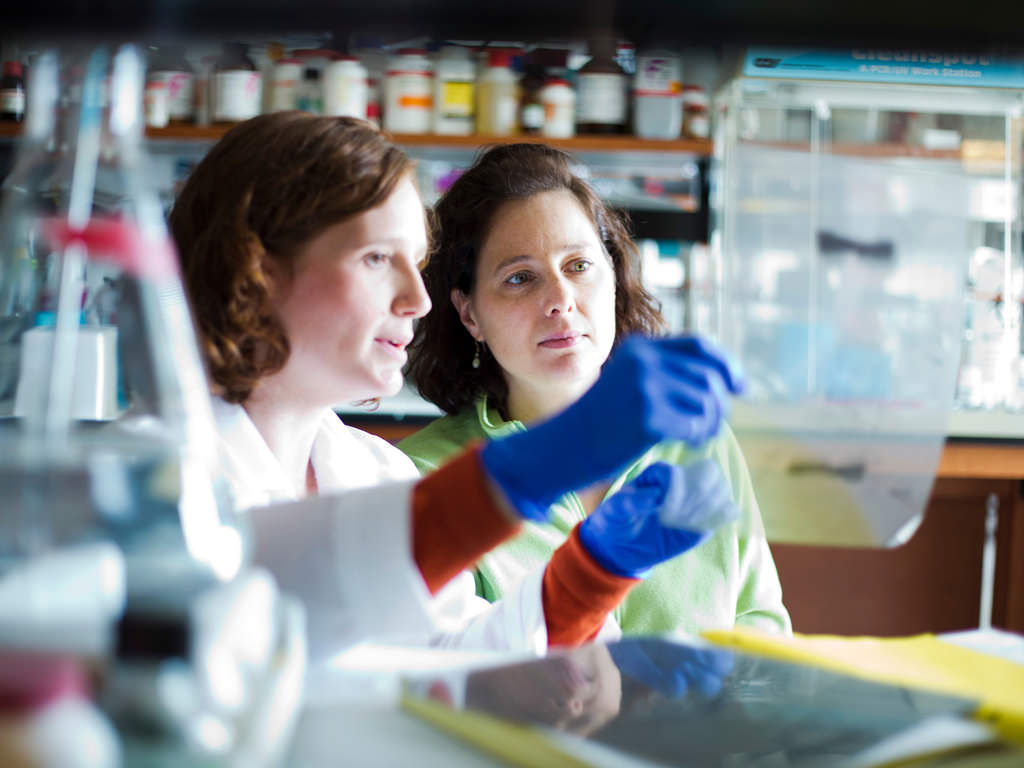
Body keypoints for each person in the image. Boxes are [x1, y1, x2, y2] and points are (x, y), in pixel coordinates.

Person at [168, 113, 747, 661]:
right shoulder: (154, 477)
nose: (416, 300)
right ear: (256, 270)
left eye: (414, 263)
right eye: (376, 258)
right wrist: (536, 466)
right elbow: (273, 598)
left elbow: (456, 666)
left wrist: (592, 574)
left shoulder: (377, 470)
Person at [401, 142, 792, 638]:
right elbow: (448, 669)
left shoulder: (699, 440)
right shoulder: (428, 477)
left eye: (579, 265)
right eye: (520, 278)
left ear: (613, 276)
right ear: (469, 313)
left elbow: (761, 625)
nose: (560, 300)